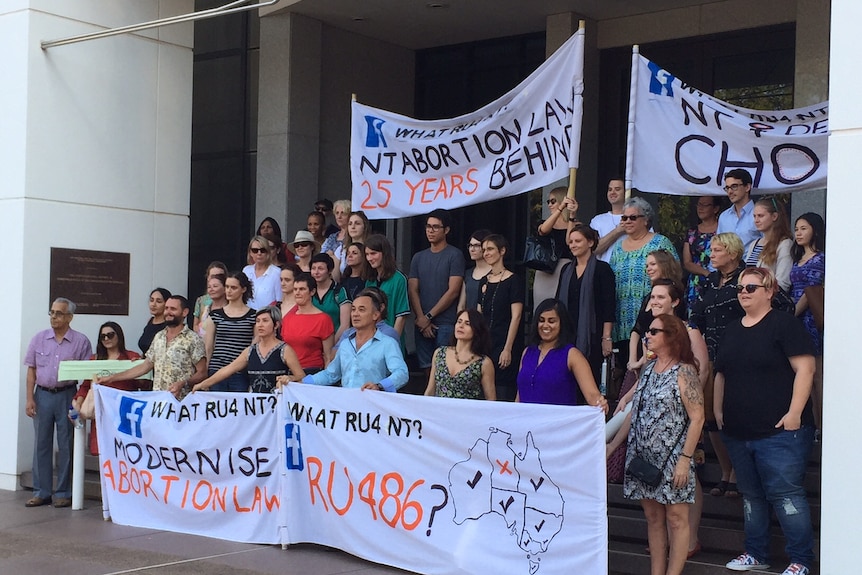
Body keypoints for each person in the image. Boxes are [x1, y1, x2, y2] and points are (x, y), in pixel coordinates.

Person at [714, 267, 816, 575]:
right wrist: (718, 411)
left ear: (769, 290)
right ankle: (755, 553)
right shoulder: (731, 329)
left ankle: (801, 560)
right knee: (752, 497)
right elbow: (721, 373)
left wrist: (795, 413)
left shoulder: (784, 324)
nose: (743, 292)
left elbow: (806, 369)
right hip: (737, 430)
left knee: (786, 495)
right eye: (740, 288)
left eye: (751, 287)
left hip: (780, 432)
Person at [613, 281, 709, 559]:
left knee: (676, 520)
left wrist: (685, 458)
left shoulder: (685, 370)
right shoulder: (650, 368)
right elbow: (635, 410)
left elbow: (698, 416)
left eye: (653, 332)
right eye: (647, 332)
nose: (647, 336)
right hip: (644, 454)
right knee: (654, 520)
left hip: (673, 455)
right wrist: (613, 446)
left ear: (671, 335)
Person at [689, 232, 745, 498]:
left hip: (740, 355)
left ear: (733, 253)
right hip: (710, 355)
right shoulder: (711, 280)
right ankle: (724, 471)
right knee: (711, 417)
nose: (711, 254)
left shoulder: (748, 279)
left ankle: (737, 473)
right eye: (711, 249)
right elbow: (696, 314)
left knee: (733, 415)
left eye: (717, 249)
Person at [23, 298, 93, 508]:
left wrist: (79, 400)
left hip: (67, 395)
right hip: (42, 395)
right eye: (52, 312)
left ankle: (63, 492)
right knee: (41, 445)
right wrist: (29, 398)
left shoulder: (81, 342)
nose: (54, 317)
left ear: (70, 317)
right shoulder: (39, 339)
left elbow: (87, 374)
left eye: (59, 313)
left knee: (66, 445)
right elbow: (31, 371)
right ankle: (41, 491)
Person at [292, 289, 409, 392]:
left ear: (375, 315)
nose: (355, 314)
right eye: (353, 310)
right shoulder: (345, 344)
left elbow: (402, 373)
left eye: (361, 310)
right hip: (347, 408)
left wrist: (379, 386)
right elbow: (330, 374)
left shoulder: (387, 343)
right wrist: (302, 383)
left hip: (373, 408)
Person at [97, 295, 207, 399]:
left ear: (185, 312)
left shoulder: (193, 339)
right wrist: (111, 378)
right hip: (158, 403)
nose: (168, 312)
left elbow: (202, 373)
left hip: (182, 404)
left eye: (173, 309)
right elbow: (145, 366)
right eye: (166, 308)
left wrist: (183, 383)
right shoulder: (159, 337)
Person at [609, 197, 678, 359]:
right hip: (622, 320)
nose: (627, 221)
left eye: (633, 217)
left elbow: (673, 277)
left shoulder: (660, 242)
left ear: (646, 220)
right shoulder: (618, 247)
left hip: (651, 317)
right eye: (624, 218)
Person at [515, 298, 609, 411]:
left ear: (561, 323)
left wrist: (601, 405)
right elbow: (519, 397)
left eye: (551, 321)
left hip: (558, 427)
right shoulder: (527, 352)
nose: (545, 325)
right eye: (541, 320)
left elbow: (593, 397)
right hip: (527, 425)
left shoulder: (572, 355)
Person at [71, 322, 146, 456]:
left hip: (124, 412)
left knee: (125, 452)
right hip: (101, 413)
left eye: (110, 335)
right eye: (103, 336)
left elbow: (143, 385)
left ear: (119, 336)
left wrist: (139, 367)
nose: (106, 339)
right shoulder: (94, 359)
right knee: (102, 452)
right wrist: (78, 403)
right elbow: (86, 386)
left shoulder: (130, 357)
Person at [555, 223, 616, 385]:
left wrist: (606, 337)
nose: (573, 245)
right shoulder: (566, 269)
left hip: (592, 335)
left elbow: (609, 306)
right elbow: (557, 305)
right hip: (566, 334)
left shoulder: (603, 269)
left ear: (590, 243)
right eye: (571, 242)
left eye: (577, 241)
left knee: (590, 378)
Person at [193, 307, 305, 394]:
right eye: (258, 321)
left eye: (265, 321)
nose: (260, 325)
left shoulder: (285, 350)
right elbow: (227, 370)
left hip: (277, 404)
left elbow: (301, 377)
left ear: (276, 325)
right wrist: (203, 384)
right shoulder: (250, 351)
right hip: (255, 406)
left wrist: (290, 378)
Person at [408, 209, 465, 378]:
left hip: (446, 323)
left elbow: (453, 290)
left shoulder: (455, 255)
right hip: (421, 323)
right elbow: (412, 289)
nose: (430, 231)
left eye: (435, 227)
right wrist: (421, 318)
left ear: (446, 230)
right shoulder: (418, 257)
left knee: (444, 369)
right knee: (427, 369)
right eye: (428, 226)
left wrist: (429, 316)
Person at [790, 212, 825, 433]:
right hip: (797, 319)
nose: (799, 233)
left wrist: (792, 313)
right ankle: (812, 423)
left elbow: (810, 292)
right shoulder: (797, 259)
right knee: (805, 375)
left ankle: (822, 424)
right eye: (797, 229)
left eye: (804, 228)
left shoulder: (821, 258)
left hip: (811, 316)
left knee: (817, 374)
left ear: (815, 230)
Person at [477, 234, 524, 401]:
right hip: (486, 344)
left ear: (502, 251)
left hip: (504, 342)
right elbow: (478, 316)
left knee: (503, 390)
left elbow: (516, 316)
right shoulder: (483, 281)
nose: (486, 253)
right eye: (484, 250)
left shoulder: (513, 280)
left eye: (490, 249)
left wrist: (508, 348)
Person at [424, 308, 495, 400]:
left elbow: (491, 400)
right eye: (459, 322)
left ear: (477, 330)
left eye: (467, 323)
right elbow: (430, 390)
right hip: (439, 412)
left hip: (467, 413)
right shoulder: (439, 353)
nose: (461, 326)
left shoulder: (484, 363)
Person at [202, 272, 256, 392]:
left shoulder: (253, 316)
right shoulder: (215, 315)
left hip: (240, 372)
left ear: (243, 289)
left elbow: (254, 346)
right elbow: (208, 346)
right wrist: (205, 374)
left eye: (233, 287)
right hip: (216, 369)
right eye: (227, 287)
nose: (229, 291)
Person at [281, 273, 334, 374]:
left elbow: (328, 356)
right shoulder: (288, 318)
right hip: (289, 372)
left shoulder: (323, 319)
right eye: (295, 289)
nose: (297, 293)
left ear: (312, 291)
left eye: (302, 289)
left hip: (312, 372)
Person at [533, 186, 576, 309]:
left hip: (565, 268)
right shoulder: (545, 223)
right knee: (542, 307)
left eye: (553, 201)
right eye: (548, 202)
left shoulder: (575, 224)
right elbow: (543, 230)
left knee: (562, 307)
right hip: (545, 269)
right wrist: (560, 208)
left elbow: (570, 241)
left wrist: (571, 216)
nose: (549, 205)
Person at [364, 234, 410, 337]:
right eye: (367, 254)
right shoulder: (370, 280)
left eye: (373, 253)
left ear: (384, 253)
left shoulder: (399, 279)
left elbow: (401, 316)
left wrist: (392, 342)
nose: (369, 258)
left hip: (390, 337)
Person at [744, 197, 793, 292]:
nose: (756, 220)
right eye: (754, 216)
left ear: (774, 216)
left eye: (761, 216)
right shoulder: (754, 244)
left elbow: (782, 282)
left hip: (770, 299)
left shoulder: (784, 244)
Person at [683, 197, 720, 312]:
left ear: (715, 209)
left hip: (719, 279)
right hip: (696, 282)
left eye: (705, 205)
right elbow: (687, 262)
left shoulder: (722, 229)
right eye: (699, 205)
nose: (700, 208)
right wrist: (706, 273)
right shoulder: (692, 232)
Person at [310, 253, 350, 342]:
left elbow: (345, 325)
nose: (316, 272)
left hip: (336, 343)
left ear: (330, 270)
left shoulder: (340, 291)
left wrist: (330, 346)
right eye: (313, 268)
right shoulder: (308, 291)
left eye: (320, 268)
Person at [717, 168, 760, 252]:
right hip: (727, 264)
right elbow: (719, 246)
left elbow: (768, 245)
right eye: (727, 188)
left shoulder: (759, 214)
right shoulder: (724, 217)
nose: (730, 191)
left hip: (752, 264)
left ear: (747, 187)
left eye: (734, 186)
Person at [590, 177, 627, 262]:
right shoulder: (597, 220)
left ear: (626, 192)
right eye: (610, 189)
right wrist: (617, 231)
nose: (613, 192)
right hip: (605, 271)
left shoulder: (636, 218)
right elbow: (593, 249)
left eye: (617, 189)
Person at [242, 235, 280, 310]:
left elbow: (279, 300)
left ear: (268, 252)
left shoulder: (277, 273)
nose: (259, 253)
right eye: (255, 250)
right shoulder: (246, 271)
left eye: (263, 250)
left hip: (267, 317)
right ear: (250, 253)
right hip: (247, 317)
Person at [458, 229, 492, 311]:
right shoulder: (467, 274)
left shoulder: (495, 273)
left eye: (477, 245)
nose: (472, 249)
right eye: (470, 245)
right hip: (468, 321)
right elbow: (461, 305)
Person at [192, 261, 227, 334]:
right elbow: (195, 325)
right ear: (208, 277)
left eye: (219, 276)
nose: (215, 278)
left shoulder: (230, 299)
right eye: (212, 276)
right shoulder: (201, 300)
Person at [138, 287, 171, 354]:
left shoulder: (169, 326)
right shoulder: (150, 321)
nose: (153, 304)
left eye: (158, 301)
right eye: (151, 300)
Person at [197, 273, 227, 338]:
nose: (211, 289)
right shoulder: (206, 308)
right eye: (209, 287)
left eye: (215, 286)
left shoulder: (229, 309)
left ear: (225, 288)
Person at [321, 199, 350, 265]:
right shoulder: (332, 237)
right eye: (337, 213)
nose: (339, 217)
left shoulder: (353, 236)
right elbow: (322, 256)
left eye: (343, 213)